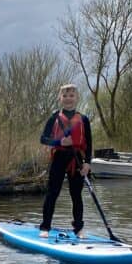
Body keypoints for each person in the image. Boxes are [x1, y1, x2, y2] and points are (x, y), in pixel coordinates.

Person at [38, 83, 92, 237]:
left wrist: (87, 163)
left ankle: (79, 227)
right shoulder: (54, 118)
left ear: (77, 98)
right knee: (52, 193)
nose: (68, 99)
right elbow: (43, 139)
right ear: (60, 98)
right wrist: (59, 142)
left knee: (76, 195)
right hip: (59, 158)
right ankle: (45, 227)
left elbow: (89, 143)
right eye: (65, 96)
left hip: (78, 160)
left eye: (72, 96)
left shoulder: (84, 119)